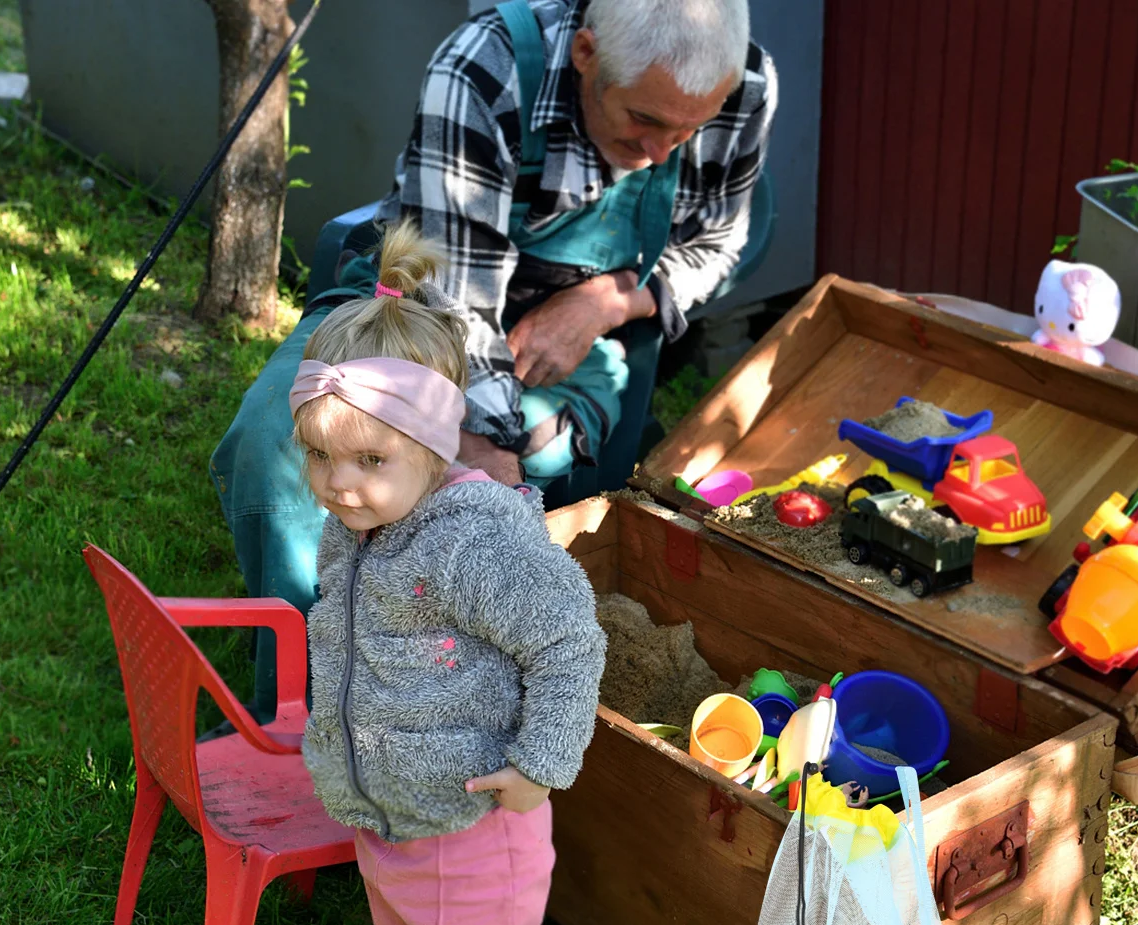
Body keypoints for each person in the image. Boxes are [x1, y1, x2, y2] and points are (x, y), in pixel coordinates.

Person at [211, 0, 774, 718]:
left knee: (506, 471)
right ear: (587, 56)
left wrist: (607, 303)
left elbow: (718, 245)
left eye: (689, 130)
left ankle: (437, 694)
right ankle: (309, 716)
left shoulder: (745, 83)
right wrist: (492, 476)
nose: (665, 151)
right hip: (425, 291)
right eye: (644, 121)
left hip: (578, 320)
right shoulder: (486, 67)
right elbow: (458, 303)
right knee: (281, 447)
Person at [290, 220, 608, 925]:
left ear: (430, 447)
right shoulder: (366, 521)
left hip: (477, 822)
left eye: (369, 461)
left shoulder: (469, 543)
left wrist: (542, 762)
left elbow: (567, 640)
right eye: (319, 458)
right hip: (393, 814)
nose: (339, 486)